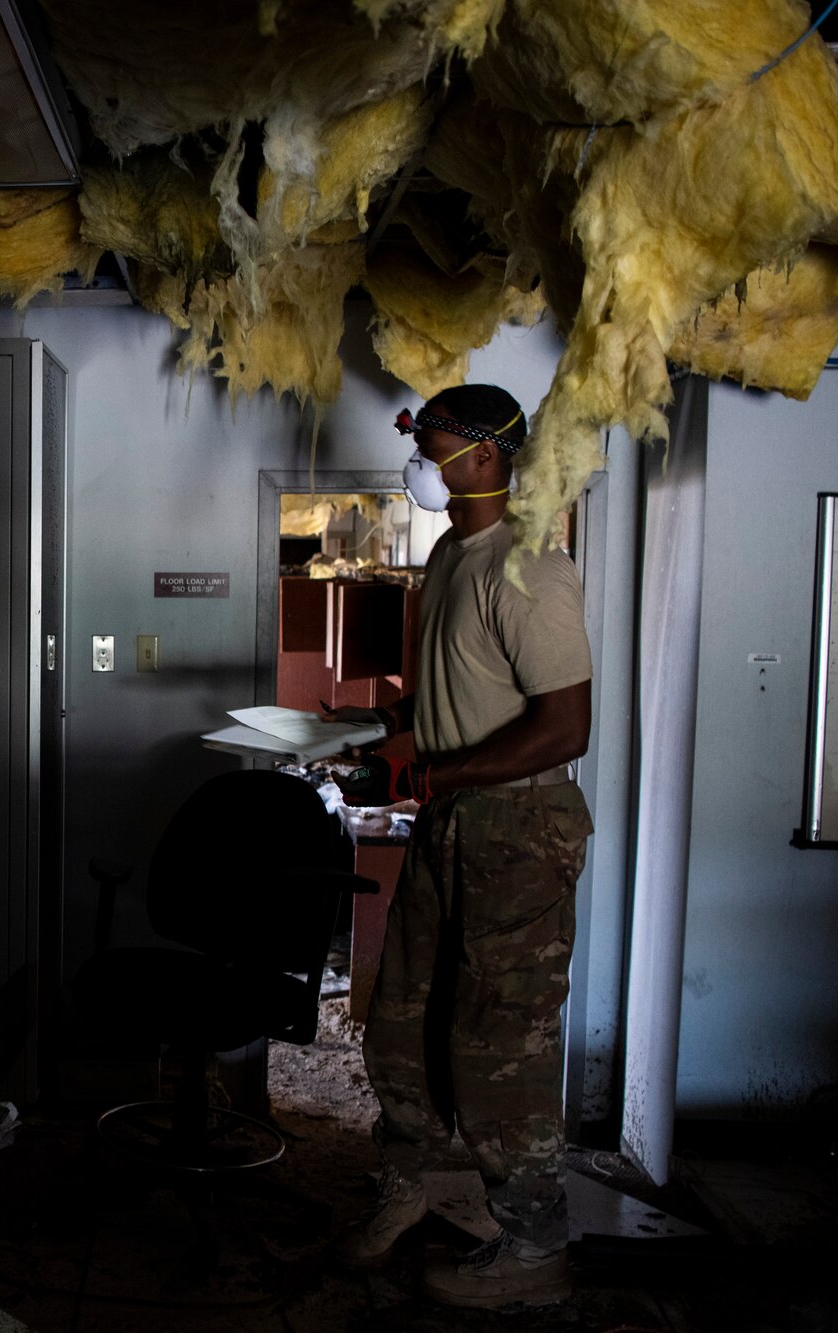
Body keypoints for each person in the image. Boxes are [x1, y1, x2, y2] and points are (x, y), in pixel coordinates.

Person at [322, 384, 594, 1309]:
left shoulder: (532, 568)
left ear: (486, 459)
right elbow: (449, 687)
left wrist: (437, 777)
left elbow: (564, 727)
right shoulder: (448, 557)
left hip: (518, 829)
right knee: (401, 1015)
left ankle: (532, 1248)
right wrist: (380, 730)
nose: (421, 470)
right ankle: (409, 1186)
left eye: (432, 453)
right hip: (450, 819)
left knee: (498, 1041)